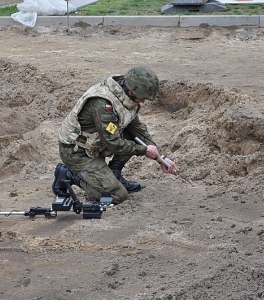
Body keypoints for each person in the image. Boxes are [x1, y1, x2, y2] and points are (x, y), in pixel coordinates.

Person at [52, 66, 178, 205]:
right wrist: (143, 150)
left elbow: (136, 127)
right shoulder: (103, 104)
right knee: (118, 195)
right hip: (77, 153)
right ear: (131, 92)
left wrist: (160, 158)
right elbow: (114, 144)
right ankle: (69, 175)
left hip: (95, 146)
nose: (142, 102)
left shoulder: (124, 94)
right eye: (142, 98)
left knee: (130, 134)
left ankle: (114, 175)